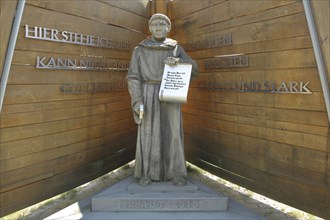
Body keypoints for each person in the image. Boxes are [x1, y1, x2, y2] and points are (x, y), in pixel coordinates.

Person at [127, 13, 199, 186]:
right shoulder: (140, 49)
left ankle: (176, 174)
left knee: (173, 133)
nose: (159, 27)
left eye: (162, 24)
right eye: (155, 24)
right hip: (148, 93)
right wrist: (137, 100)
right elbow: (133, 77)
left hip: (171, 93)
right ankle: (147, 173)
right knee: (148, 134)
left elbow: (194, 69)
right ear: (149, 28)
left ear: (169, 28)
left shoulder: (175, 48)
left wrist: (179, 61)